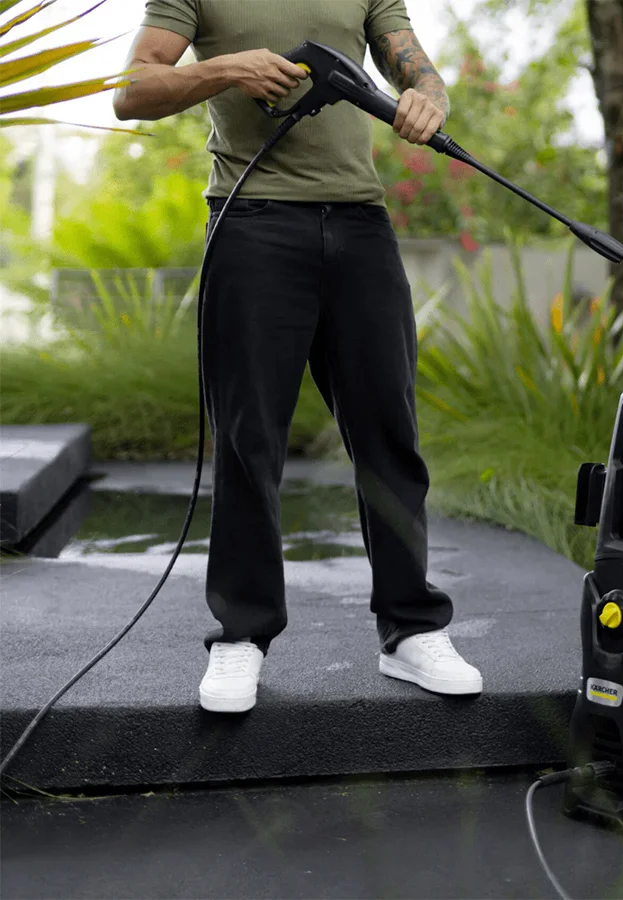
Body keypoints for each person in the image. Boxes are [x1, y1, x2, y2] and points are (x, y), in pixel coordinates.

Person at [113, 0, 483, 713]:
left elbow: (418, 68)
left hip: (361, 225)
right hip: (251, 223)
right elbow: (133, 89)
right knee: (248, 440)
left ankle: (410, 630)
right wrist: (225, 69)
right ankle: (242, 635)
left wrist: (428, 99)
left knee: (389, 435)